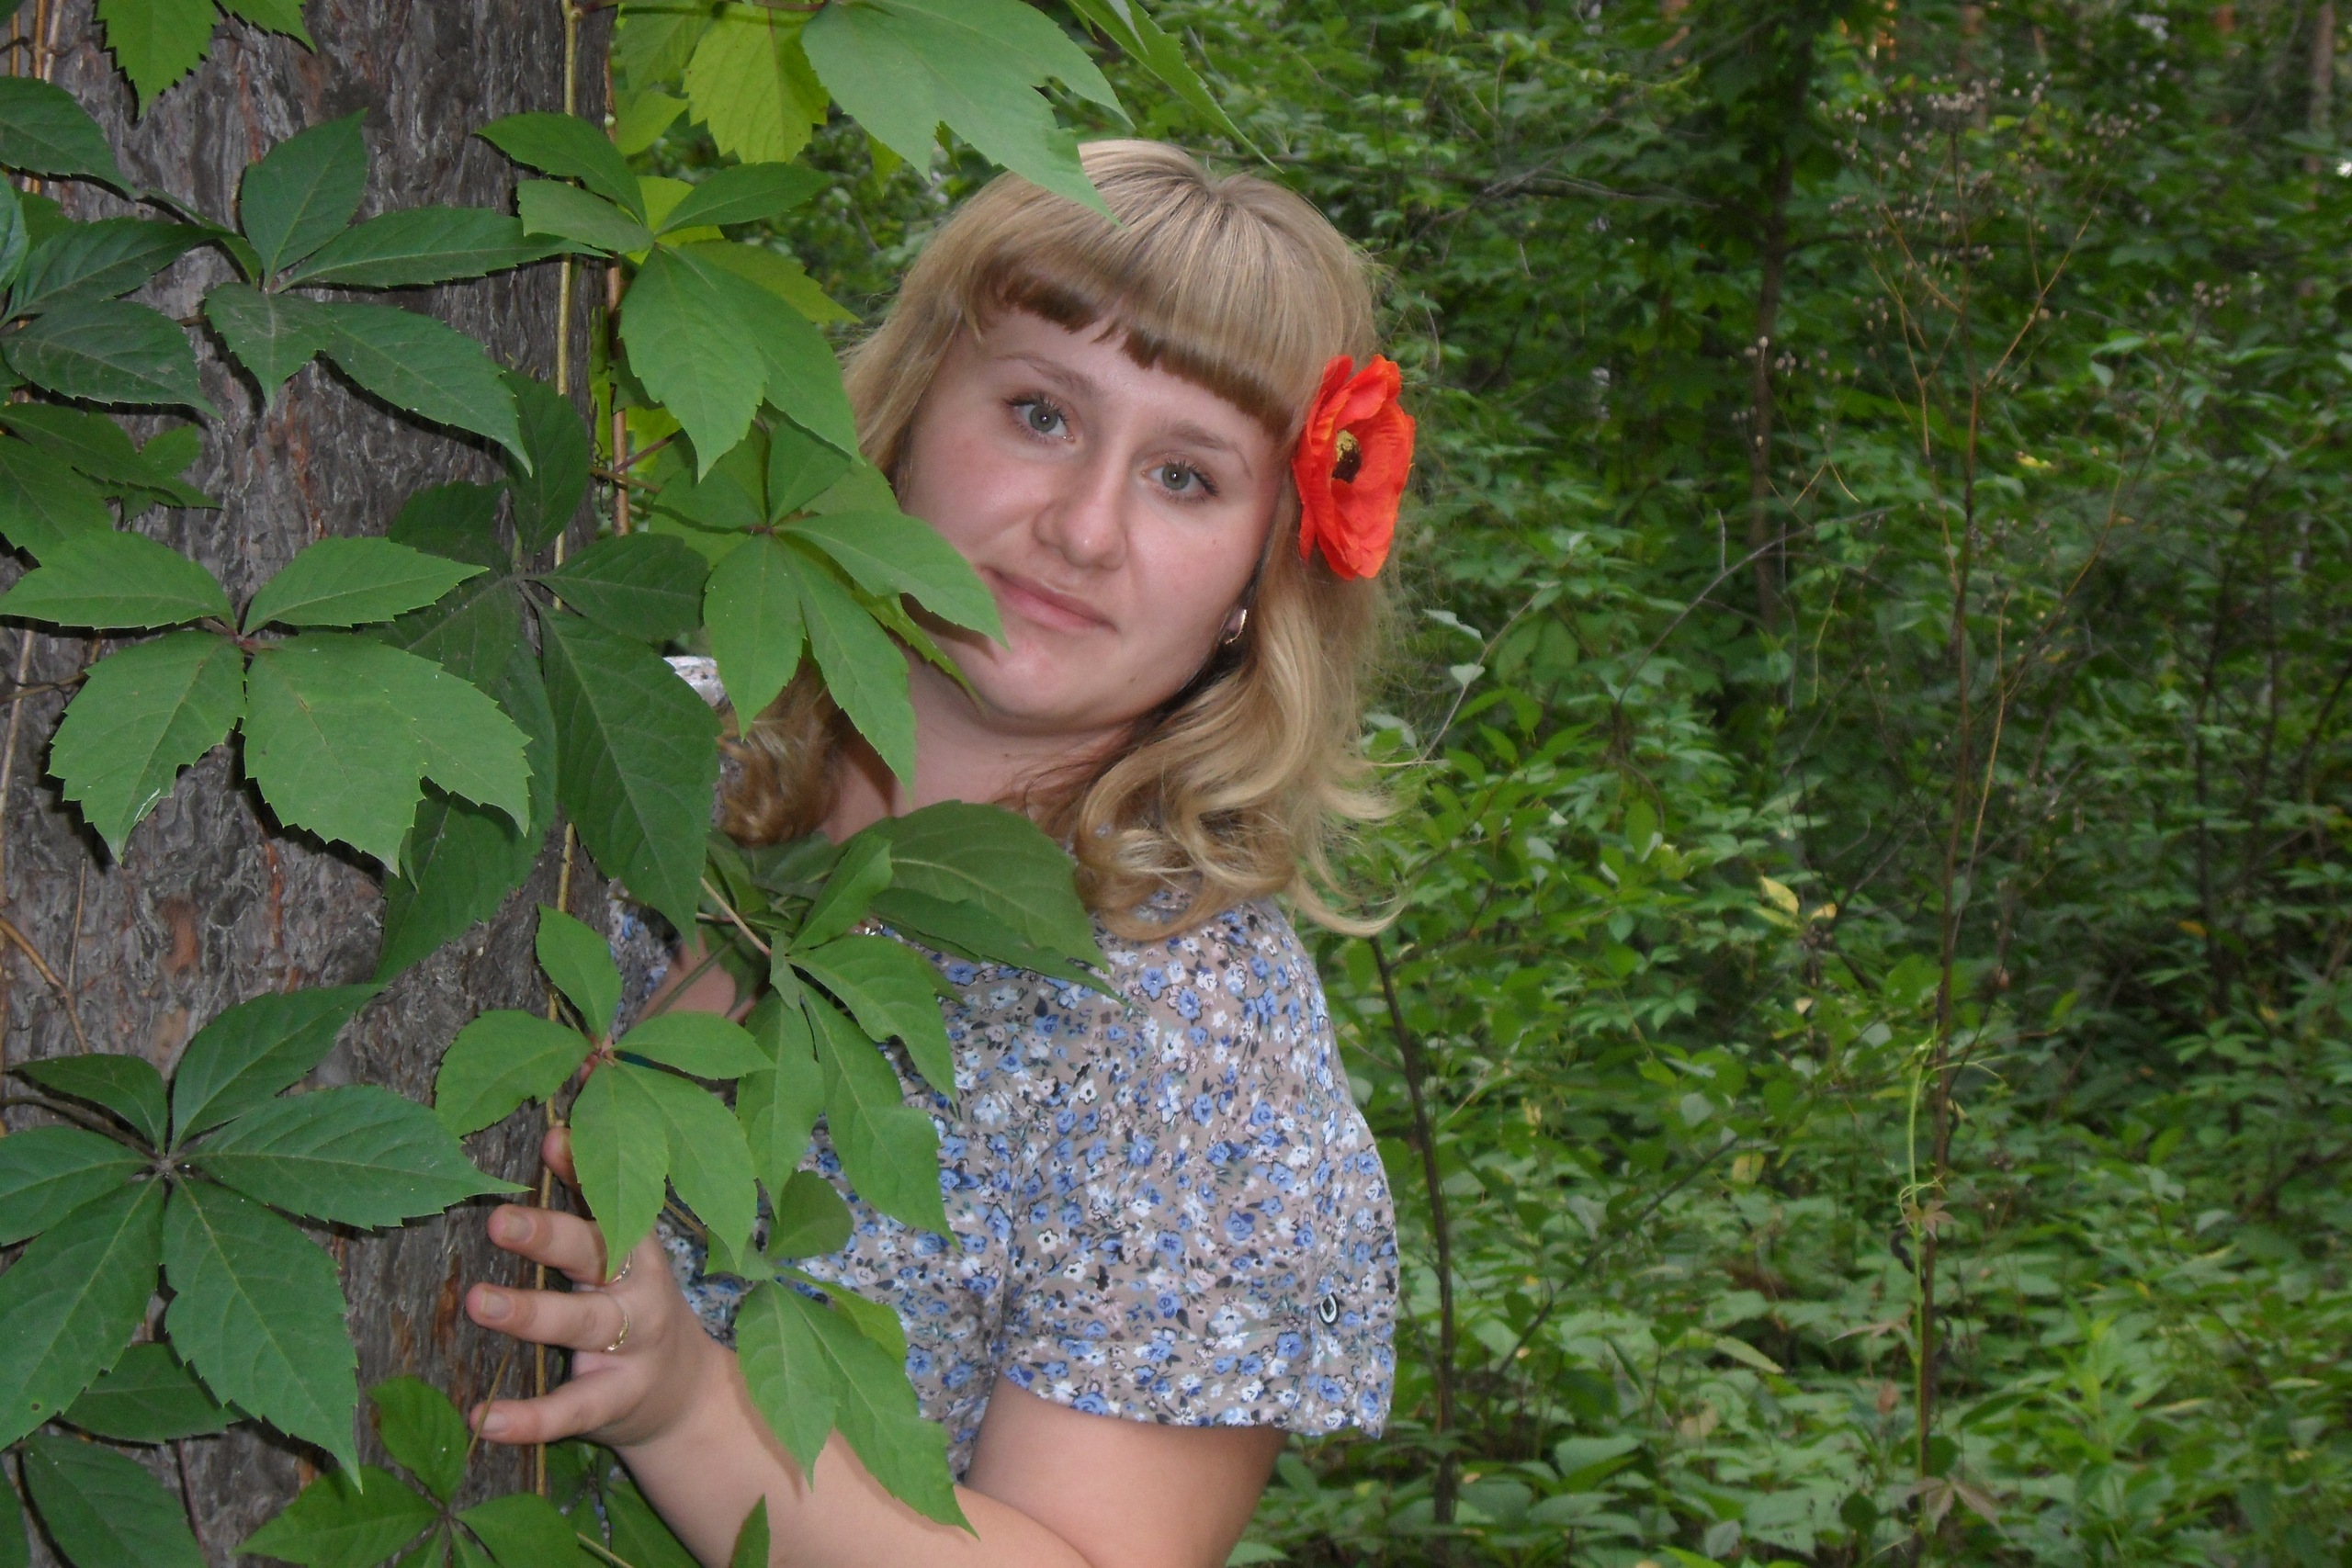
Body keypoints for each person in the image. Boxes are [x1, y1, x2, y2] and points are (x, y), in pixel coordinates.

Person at [459, 140, 1413, 1568]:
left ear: (1260, 576)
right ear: (906, 414)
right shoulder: (627, 738)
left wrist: (689, 1413)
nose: (1082, 527)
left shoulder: (1196, 1033)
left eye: (1184, 477)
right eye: (1040, 413)